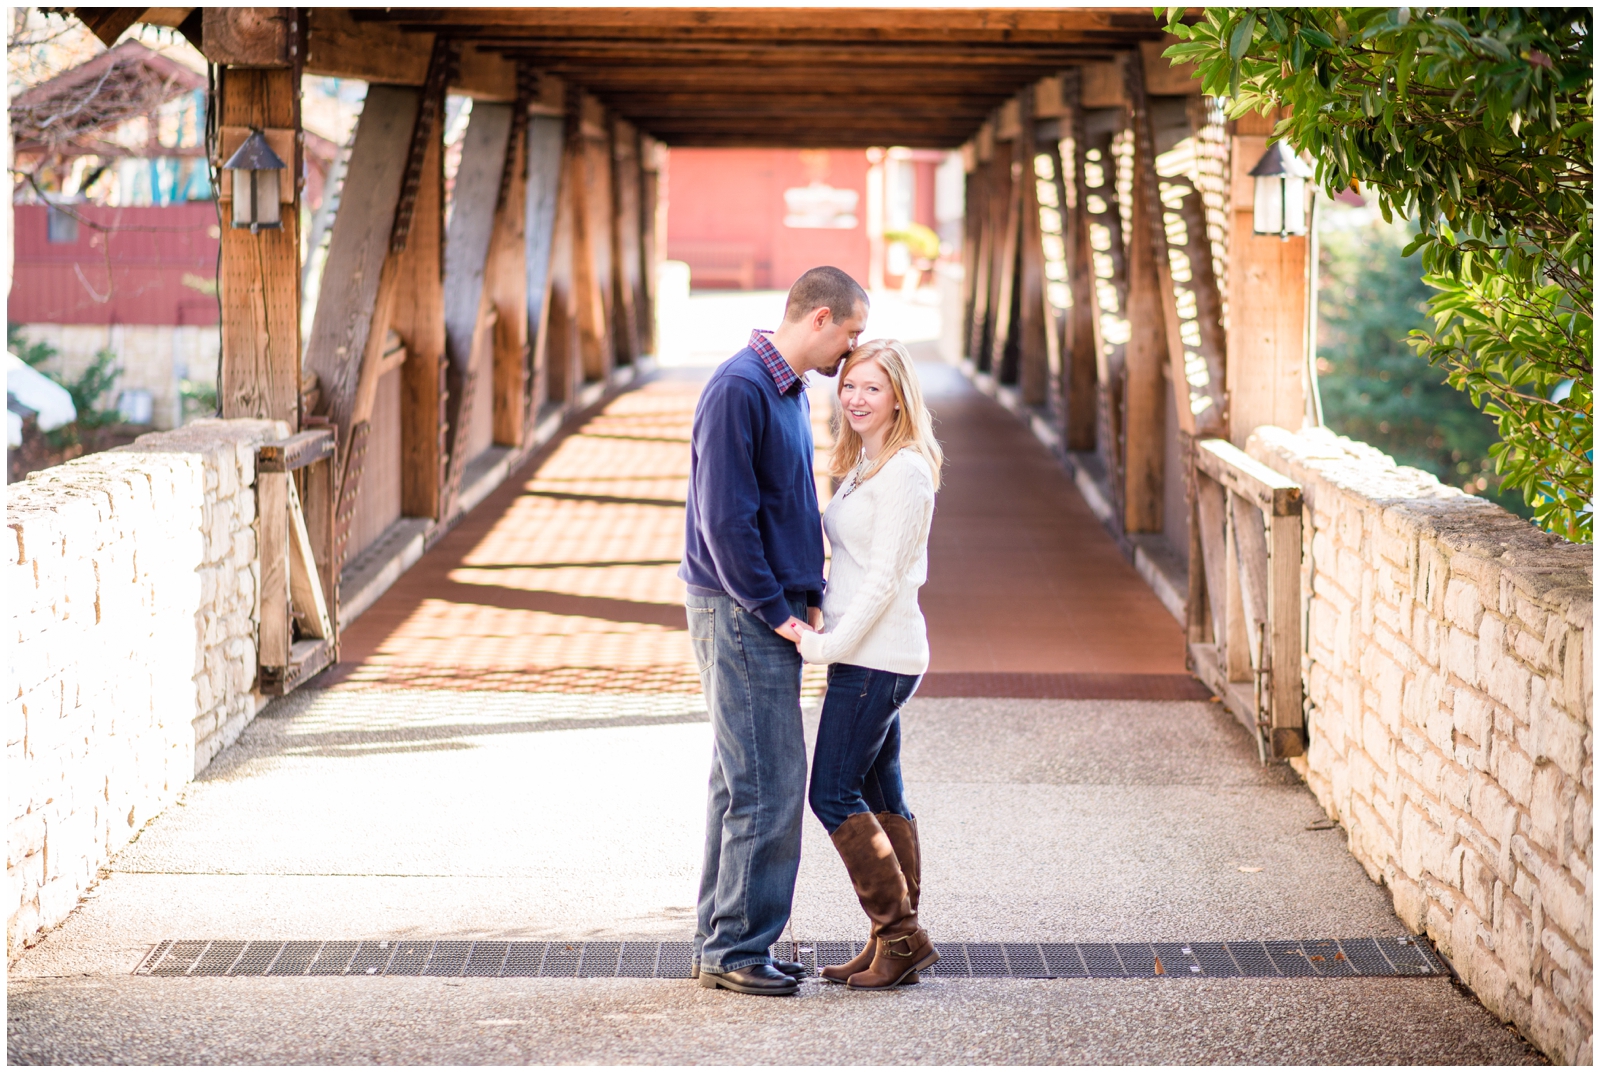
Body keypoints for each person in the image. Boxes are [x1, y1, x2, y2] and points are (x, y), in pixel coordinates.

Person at [680, 266, 869, 996]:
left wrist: (808, 591)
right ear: (819, 318)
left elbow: (788, 502)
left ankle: (724, 941)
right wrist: (775, 607)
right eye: (849, 332)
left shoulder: (786, 389)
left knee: (741, 779)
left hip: (761, 605)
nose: (851, 350)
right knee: (770, 780)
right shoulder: (741, 387)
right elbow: (724, 520)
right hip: (741, 609)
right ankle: (737, 948)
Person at [796, 339, 942, 990]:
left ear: (899, 398)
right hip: (867, 653)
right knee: (883, 796)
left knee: (831, 791)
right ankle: (892, 939)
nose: (855, 398)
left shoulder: (905, 471)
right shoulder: (866, 462)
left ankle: (902, 935)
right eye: (849, 384)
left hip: (876, 658)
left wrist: (827, 645)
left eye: (872, 388)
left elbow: (884, 580)